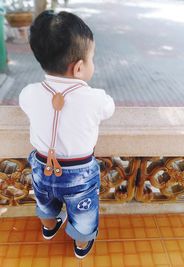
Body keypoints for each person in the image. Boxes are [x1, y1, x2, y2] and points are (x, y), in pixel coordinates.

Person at [19, 10, 115, 259]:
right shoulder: (95, 99)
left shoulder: (28, 93)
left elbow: (26, 105)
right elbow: (109, 108)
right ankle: (81, 244)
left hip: (42, 166)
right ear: (80, 67)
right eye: (92, 58)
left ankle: (49, 228)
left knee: (45, 203)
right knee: (83, 212)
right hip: (79, 174)